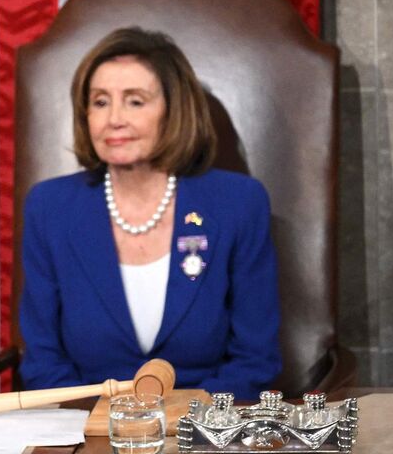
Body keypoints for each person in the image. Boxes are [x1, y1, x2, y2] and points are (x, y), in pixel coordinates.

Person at [19, 27, 281, 399]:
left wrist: (182, 421)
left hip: (204, 434)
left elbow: (255, 360)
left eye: (135, 101)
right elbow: (43, 362)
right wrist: (105, 426)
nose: (114, 119)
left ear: (173, 112)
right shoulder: (50, 207)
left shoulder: (237, 203)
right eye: (99, 102)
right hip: (87, 432)